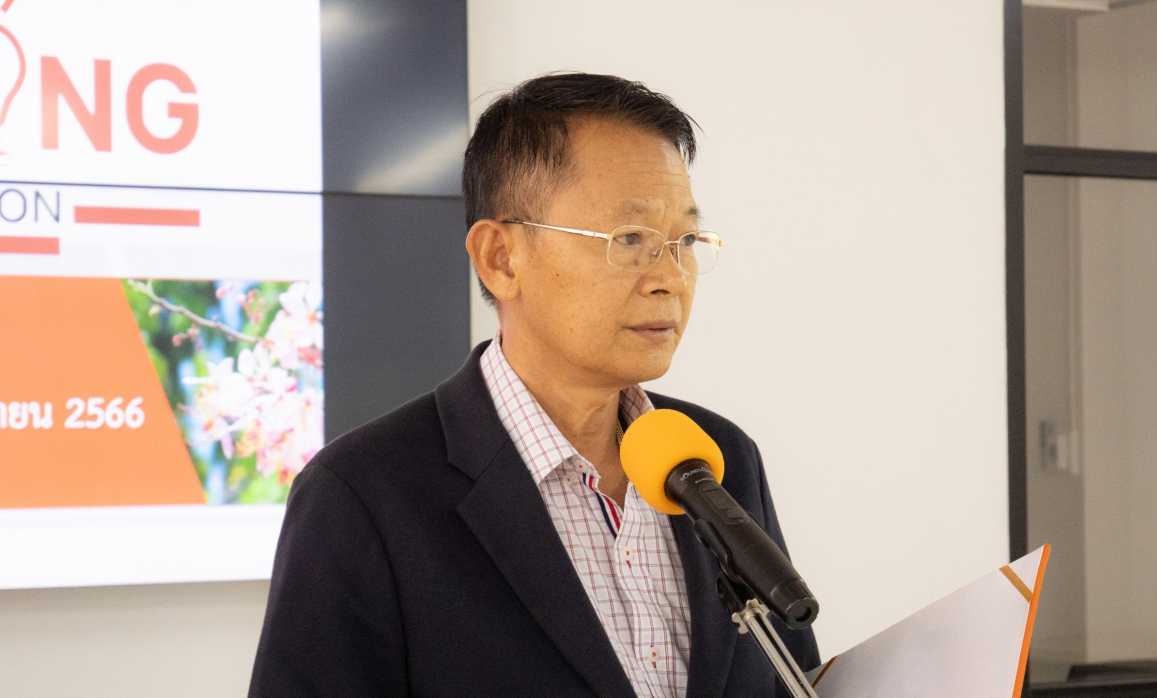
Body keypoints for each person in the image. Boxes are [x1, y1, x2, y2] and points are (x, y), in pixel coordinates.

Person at [248, 72, 818, 698]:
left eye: (683, 240)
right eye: (629, 239)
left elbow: (794, 679)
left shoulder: (722, 456)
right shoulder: (361, 496)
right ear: (500, 257)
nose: (671, 278)